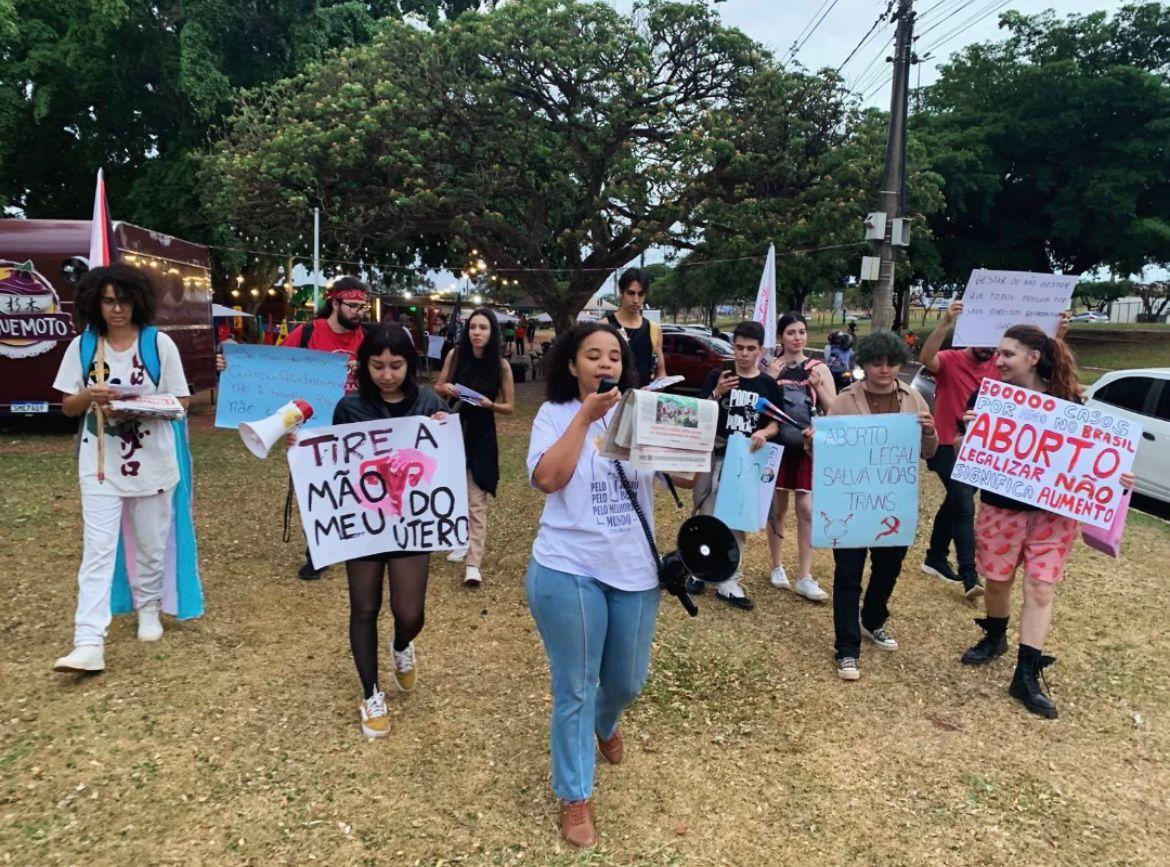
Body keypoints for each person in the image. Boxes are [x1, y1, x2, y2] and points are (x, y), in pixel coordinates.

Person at [525, 322, 660, 848]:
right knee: (576, 686)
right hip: (568, 567)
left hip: (635, 569)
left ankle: (606, 722)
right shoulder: (554, 414)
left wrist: (688, 439)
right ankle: (575, 793)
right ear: (571, 364)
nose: (606, 364)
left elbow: (687, 478)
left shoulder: (643, 412)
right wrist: (585, 417)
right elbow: (547, 479)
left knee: (627, 683)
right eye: (593, 355)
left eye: (614, 357)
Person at [957, 325, 1134, 719]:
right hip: (1001, 507)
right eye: (999, 353)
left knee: (1040, 588)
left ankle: (1026, 673)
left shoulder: (1069, 405)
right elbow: (960, 449)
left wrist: (1117, 478)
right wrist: (970, 434)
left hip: (1053, 515)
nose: (998, 360)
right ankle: (996, 635)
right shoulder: (987, 398)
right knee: (997, 581)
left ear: (1033, 357)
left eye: (1008, 354)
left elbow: (1094, 461)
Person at [51, 264, 199, 673]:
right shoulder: (83, 347)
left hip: (153, 461)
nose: (116, 309)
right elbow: (68, 407)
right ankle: (88, 640)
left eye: (124, 301)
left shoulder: (159, 344)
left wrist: (139, 406)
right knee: (97, 551)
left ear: (139, 301)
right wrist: (90, 396)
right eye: (108, 301)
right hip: (100, 463)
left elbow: (182, 402)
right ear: (94, 303)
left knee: (152, 542)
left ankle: (148, 605)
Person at [324, 325, 449, 738]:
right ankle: (371, 693)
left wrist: (446, 428)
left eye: (396, 365)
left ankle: (401, 644)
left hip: (411, 522)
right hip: (363, 523)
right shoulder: (349, 407)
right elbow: (334, 463)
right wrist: (304, 449)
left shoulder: (428, 401)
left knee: (410, 613)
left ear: (410, 364)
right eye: (377, 366)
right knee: (363, 607)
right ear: (365, 365)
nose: (387, 375)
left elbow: (446, 459)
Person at [216, 277, 369, 581]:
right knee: (316, 490)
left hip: (352, 425)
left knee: (352, 488)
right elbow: (273, 368)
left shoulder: (366, 339)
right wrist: (232, 367)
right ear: (335, 303)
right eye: (353, 306)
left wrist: (364, 368)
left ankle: (353, 543)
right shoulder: (308, 332)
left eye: (362, 307)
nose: (359, 312)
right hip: (312, 425)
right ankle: (318, 552)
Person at [819, 332, 937, 681]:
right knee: (848, 574)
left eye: (891, 362)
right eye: (876, 362)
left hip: (893, 504)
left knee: (889, 567)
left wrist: (929, 433)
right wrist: (816, 442)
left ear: (899, 363)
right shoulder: (844, 401)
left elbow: (929, 452)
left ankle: (872, 618)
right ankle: (847, 648)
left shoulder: (913, 399)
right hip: (851, 503)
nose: (884, 369)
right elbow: (828, 454)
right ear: (865, 364)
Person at [685, 321, 781, 610]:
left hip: (748, 460)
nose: (744, 354)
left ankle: (729, 579)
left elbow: (776, 423)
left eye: (751, 349)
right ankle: (698, 570)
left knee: (738, 520)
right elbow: (699, 413)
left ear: (760, 350)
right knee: (707, 513)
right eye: (739, 348)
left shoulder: (768, 385)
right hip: (716, 454)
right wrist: (717, 392)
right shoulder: (718, 376)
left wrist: (764, 433)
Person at [918, 300, 995, 597]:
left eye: (994, 344)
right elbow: (926, 357)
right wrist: (946, 322)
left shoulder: (998, 365)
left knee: (955, 501)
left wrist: (1059, 335)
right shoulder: (950, 360)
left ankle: (935, 558)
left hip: (978, 449)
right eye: (983, 342)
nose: (988, 349)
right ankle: (969, 575)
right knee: (963, 503)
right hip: (944, 444)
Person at [434, 308, 515, 586]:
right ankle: (460, 540)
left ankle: (473, 564)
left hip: (481, 433)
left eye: (483, 327)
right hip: (453, 428)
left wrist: (490, 404)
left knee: (476, 499)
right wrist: (447, 388)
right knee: (453, 491)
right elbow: (438, 386)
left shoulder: (501, 366)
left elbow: (510, 406)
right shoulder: (456, 355)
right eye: (473, 327)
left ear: (493, 332)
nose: (477, 332)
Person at [765, 312, 836, 602]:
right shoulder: (772, 367)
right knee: (777, 508)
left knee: (806, 509)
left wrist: (817, 386)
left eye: (802, 332)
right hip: (778, 447)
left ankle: (804, 575)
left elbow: (834, 410)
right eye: (791, 332)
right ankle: (776, 565)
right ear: (780, 337)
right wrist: (769, 378)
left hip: (808, 448)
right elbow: (760, 406)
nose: (798, 338)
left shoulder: (819, 368)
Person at [604, 267, 666, 387]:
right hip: (612, 396)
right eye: (631, 293)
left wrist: (658, 387)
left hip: (643, 396)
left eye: (641, 294)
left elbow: (661, 371)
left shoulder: (654, 329)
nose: (636, 300)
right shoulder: (604, 326)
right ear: (621, 292)